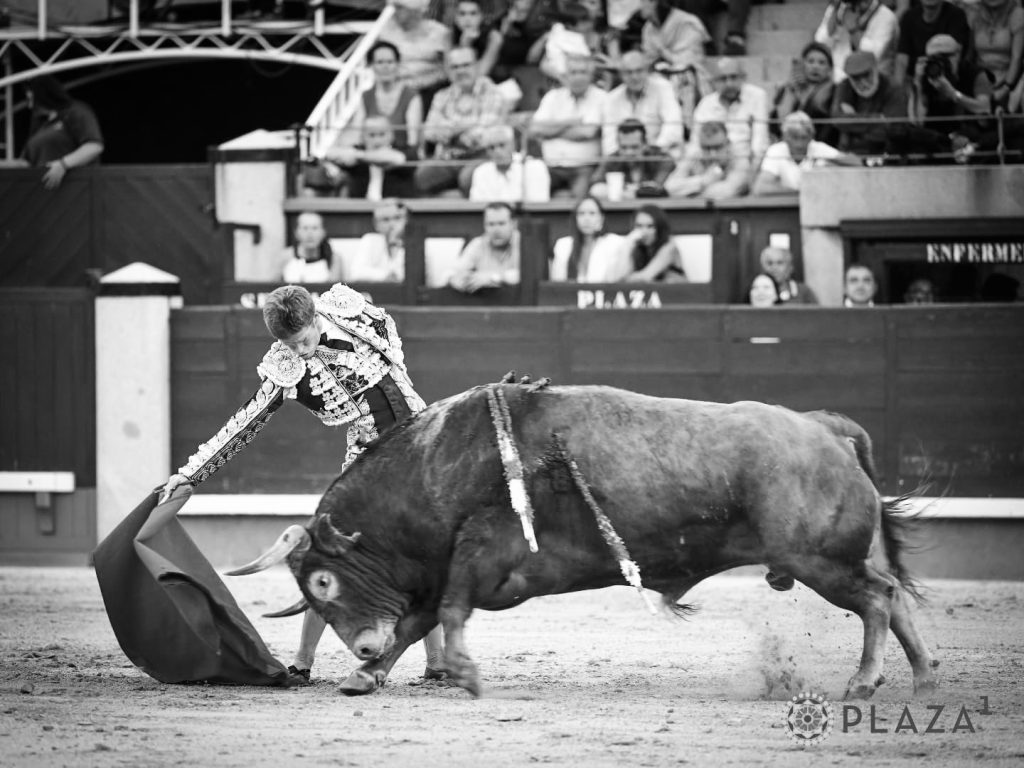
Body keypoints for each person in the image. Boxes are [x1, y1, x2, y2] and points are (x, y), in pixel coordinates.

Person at [159, 283, 444, 685]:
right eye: (291, 346)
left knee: (427, 552)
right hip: (367, 453)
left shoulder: (348, 309)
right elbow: (245, 422)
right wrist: (191, 474)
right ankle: (303, 662)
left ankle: (439, 663)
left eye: (304, 340)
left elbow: (390, 340)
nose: (301, 352)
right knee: (329, 553)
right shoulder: (284, 364)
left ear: (315, 318)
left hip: (420, 434)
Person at [416, 47, 510, 196]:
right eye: (455, 67)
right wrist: (465, 129)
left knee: (468, 178)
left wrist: (450, 130)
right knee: (423, 175)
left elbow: (482, 137)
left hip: (482, 156)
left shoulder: (493, 93)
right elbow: (429, 131)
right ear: (447, 70)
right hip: (448, 157)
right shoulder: (442, 96)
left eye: (466, 65)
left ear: (476, 66)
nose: (460, 71)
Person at [530, 55, 607, 199]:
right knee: (534, 191)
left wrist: (550, 132)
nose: (578, 77)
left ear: (591, 75)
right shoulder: (552, 97)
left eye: (582, 72)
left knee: (579, 203)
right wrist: (571, 122)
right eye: (573, 72)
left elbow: (587, 132)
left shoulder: (601, 97)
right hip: (551, 166)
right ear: (565, 76)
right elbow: (535, 129)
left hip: (584, 167)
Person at [907, 35, 992, 161]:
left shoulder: (974, 73)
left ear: (958, 54)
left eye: (945, 57)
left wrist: (953, 94)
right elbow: (916, 121)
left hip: (968, 135)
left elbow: (984, 108)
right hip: (937, 138)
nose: (941, 62)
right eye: (934, 58)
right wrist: (918, 84)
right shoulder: (926, 76)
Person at [336, 41, 423, 151]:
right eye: (380, 62)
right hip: (371, 156)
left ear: (398, 64)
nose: (385, 67)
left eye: (390, 62)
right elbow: (356, 136)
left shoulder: (411, 96)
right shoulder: (366, 96)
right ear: (372, 65)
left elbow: (413, 142)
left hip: (401, 156)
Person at [21, 75, 104, 190]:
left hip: (75, 190)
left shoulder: (75, 111)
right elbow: (26, 162)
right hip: (42, 191)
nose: (30, 105)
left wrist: (63, 164)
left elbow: (94, 146)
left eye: (31, 97)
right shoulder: (40, 123)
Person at [600, 51, 685, 158]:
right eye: (628, 72)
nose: (634, 77)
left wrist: (652, 151)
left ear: (647, 71)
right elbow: (609, 138)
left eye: (639, 71)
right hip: (625, 157)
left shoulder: (664, 88)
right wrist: (618, 158)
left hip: (659, 155)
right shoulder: (612, 98)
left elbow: (674, 127)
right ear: (621, 75)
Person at [689, 57, 769, 171]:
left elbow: (760, 141)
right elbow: (695, 143)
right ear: (713, 82)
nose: (729, 84)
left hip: (744, 161)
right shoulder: (706, 104)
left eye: (733, 77)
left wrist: (754, 168)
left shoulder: (757, 96)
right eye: (722, 79)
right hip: (711, 161)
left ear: (743, 77)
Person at [752, 111, 858, 196]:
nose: (800, 145)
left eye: (804, 138)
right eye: (795, 137)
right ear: (785, 137)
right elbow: (761, 187)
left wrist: (831, 162)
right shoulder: (776, 150)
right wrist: (800, 193)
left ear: (811, 137)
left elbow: (856, 162)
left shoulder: (818, 148)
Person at [832, 51, 909, 158]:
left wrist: (853, 122)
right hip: (849, 154)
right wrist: (878, 119)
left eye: (866, 75)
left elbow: (894, 129)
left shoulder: (893, 88)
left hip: (885, 154)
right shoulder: (844, 86)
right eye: (856, 77)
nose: (863, 82)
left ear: (876, 69)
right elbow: (837, 120)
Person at [325, 116, 417, 200]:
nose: (377, 140)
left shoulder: (406, 150)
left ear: (391, 135)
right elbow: (329, 153)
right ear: (363, 137)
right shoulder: (358, 150)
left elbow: (397, 158)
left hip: (393, 211)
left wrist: (360, 156)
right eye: (371, 135)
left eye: (382, 134)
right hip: (359, 211)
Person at [379, 0, 452, 104]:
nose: (395, 12)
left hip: (433, 91)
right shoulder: (387, 33)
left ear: (414, 10)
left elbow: (450, 67)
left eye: (400, 8)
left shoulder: (439, 33)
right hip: (399, 91)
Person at [549, 196, 632, 282]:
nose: (586, 219)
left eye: (592, 213)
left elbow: (617, 279)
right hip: (569, 294)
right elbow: (557, 282)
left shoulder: (615, 243)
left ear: (601, 218)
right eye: (581, 213)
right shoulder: (563, 245)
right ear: (575, 218)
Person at [814, 0, 899, 83]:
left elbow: (872, 56)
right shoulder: (840, 7)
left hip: (868, 82)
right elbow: (820, 44)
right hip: (835, 78)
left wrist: (853, 30)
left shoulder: (886, 16)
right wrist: (833, 17)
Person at [892, 0, 971, 89]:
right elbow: (902, 60)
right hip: (916, 77)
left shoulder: (956, 15)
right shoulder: (909, 17)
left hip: (947, 79)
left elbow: (956, 56)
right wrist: (897, 91)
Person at [590, 118, 675, 199]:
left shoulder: (659, 157)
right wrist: (635, 192)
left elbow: (657, 187)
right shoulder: (612, 159)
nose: (629, 152)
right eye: (624, 147)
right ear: (618, 145)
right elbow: (595, 187)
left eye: (634, 147)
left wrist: (626, 191)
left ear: (645, 144)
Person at [770, 42, 838, 144]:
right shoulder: (788, 89)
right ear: (803, 64)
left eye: (822, 63)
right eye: (810, 61)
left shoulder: (835, 91)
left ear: (829, 69)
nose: (815, 67)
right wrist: (790, 92)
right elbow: (776, 124)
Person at [664, 120, 750, 199]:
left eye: (717, 147)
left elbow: (727, 191)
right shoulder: (695, 155)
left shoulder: (740, 159)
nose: (712, 154)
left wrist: (691, 192)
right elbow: (670, 187)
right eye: (706, 148)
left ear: (728, 143)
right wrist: (704, 181)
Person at [966, 0, 1024, 113]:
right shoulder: (974, 14)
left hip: (1008, 82)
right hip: (980, 82)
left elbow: (1016, 58)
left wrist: (1006, 87)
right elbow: (970, 56)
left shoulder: (1018, 15)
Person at [449, 202, 521, 293]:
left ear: (513, 224)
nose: (496, 230)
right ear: (484, 226)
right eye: (491, 224)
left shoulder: (523, 243)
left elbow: (527, 276)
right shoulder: (477, 244)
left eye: (501, 224)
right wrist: (464, 279)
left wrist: (494, 277)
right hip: (484, 303)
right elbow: (454, 273)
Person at [468, 125, 552, 202]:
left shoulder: (534, 167)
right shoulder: (480, 172)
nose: (497, 151)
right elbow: (477, 206)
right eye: (491, 147)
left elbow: (538, 205)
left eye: (502, 145)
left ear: (513, 145)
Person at [347, 199, 409, 282]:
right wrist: (386, 276)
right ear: (376, 225)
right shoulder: (370, 240)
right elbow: (356, 273)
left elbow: (414, 278)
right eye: (385, 219)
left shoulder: (417, 243)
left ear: (407, 220)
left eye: (397, 218)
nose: (392, 224)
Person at [638, 0, 709, 71]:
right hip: (659, 76)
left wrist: (661, 49)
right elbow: (648, 61)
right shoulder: (648, 28)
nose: (639, 7)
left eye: (642, 1)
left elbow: (689, 61)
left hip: (689, 75)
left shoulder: (686, 23)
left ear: (654, 2)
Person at [623, 204, 687, 282]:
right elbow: (622, 275)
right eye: (639, 226)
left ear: (660, 228)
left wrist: (628, 244)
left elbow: (644, 277)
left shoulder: (669, 247)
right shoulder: (637, 248)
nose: (644, 232)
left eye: (650, 226)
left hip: (678, 292)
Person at [451, 0, 504, 78]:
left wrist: (465, 46)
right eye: (462, 14)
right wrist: (463, 44)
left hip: (497, 83)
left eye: (473, 13)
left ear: (481, 16)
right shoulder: (449, 36)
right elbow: (452, 75)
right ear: (456, 17)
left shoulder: (494, 37)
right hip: (462, 87)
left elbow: (480, 74)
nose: (467, 19)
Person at [280, 212, 337, 283]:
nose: (310, 233)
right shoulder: (285, 257)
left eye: (315, 228)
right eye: (305, 228)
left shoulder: (334, 259)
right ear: (296, 232)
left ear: (323, 232)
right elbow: (270, 288)